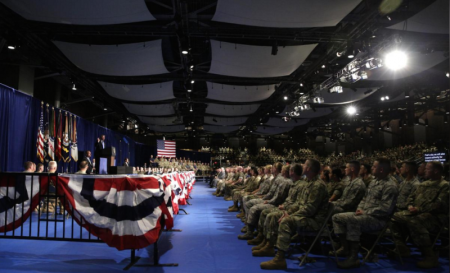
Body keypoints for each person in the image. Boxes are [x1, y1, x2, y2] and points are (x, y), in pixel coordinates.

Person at [260, 159, 328, 270]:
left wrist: (290, 216)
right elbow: (299, 204)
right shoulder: (308, 183)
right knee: (276, 215)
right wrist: (287, 212)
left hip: (314, 221)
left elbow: (309, 209)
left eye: (305, 165)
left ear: (309, 168)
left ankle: (280, 259)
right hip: (305, 216)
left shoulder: (317, 185)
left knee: (286, 221)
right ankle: (269, 245)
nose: (303, 166)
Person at [331, 158, 398, 269]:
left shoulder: (390, 186)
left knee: (352, 220)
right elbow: (364, 199)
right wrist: (360, 209)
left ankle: (354, 257)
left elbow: (385, 209)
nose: (371, 168)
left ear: (381, 169)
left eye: (374, 166)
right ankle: (345, 247)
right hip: (365, 215)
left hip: (378, 220)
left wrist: (365, 212)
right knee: (336, 217)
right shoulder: (374, 182)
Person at [389, 161, 448, 268]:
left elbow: (439, 205)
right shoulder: (423, 184)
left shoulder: (445, 186)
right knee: (394, 217)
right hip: (417, 213)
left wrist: (419, 209)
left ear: (436, 171)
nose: (425, 170)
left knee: (415, 221)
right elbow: (411, 198)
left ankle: (430, 256)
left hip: (436, 217)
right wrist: (410, 206)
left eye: (427, 169)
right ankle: (401, 247)